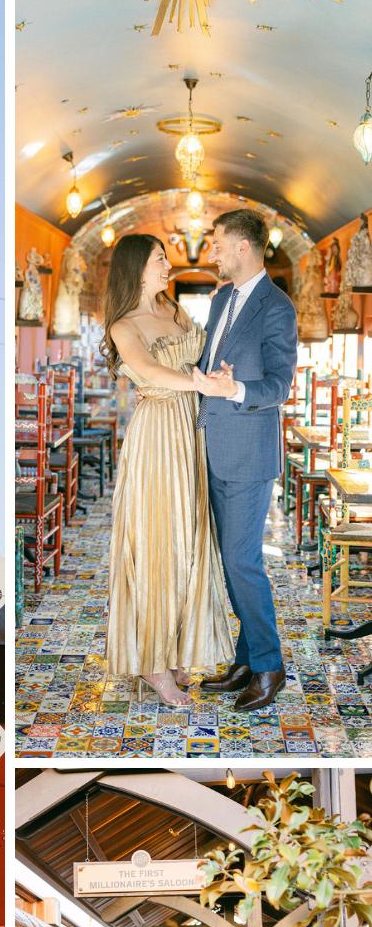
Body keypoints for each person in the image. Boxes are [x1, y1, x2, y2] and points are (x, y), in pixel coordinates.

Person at [103, 234, 235, 705]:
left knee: (188, 540)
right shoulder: (123, 325)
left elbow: (199, 354)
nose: (168, 264)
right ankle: (154, 666)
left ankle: (177, 651)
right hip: (157, 433)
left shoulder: (175, 310)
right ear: (138, 267)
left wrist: (215, 376)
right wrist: (200, 384)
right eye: (160, 258)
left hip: (190, 430)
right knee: (159, 543)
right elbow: (148, 370)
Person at [193, 208, 299, 712]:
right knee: (229, 562)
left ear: (242, 247)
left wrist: (234, 387)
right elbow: (205, 366)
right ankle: (244, 658)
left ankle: (269, 665)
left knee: (242, 560)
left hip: (250, 452)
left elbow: (280, 384)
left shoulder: (277, 307)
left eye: (217, 243)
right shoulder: (218, 302)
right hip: (212, 446)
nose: (210, 251)